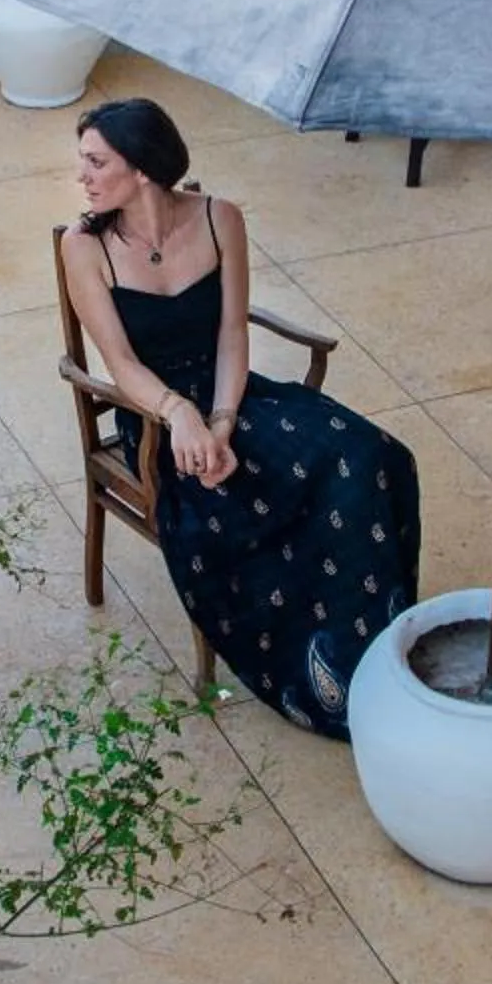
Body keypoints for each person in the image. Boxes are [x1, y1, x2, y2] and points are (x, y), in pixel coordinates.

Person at [62, 98, 421, 738]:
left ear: (141, 167)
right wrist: (183, 418)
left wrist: (222, 418)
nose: (82, 177)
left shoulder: (219, 217)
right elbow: (119, 363)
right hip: (156, 413)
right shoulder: (85, 248)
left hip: (235, 396)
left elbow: (232, 333)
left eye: (96, 162)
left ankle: (373, 644)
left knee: (371, 457)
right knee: (232, 503)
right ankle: (319, 678)